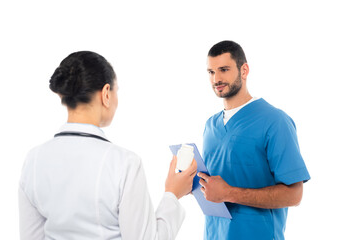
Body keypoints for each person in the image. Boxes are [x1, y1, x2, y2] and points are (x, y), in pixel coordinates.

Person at [19, 51, 197, 240]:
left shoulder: (33, 159)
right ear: (105, 94)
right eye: (116, 90)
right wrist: (172, 194)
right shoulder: (124, 163)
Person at [197, 41, 310, 240]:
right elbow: (214, 187)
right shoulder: (210, 126)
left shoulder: (274, 121)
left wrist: (229, 193)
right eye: (211, 72)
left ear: (244, 70)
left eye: (224, 69)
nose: (217, 78)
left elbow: (294, 194)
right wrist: (193, 182)